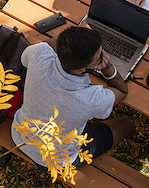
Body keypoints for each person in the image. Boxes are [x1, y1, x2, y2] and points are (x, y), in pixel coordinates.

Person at [11, 26, 135, 168]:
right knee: (126, 124)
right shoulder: (90, 99)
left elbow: (29, 55)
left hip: (20, 135)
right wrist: (107, 66)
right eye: (98, 58)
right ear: (79, 70)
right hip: (55, 159)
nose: (103, 56)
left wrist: (72, 40)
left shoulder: (39, 53)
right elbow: (122, 90)